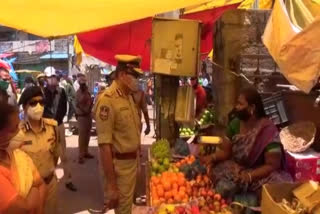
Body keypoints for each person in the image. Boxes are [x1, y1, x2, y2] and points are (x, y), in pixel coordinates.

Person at [201, 87, 292, 201]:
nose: (236, 107)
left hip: (261, 172)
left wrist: (250, 176)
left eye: (240, 104)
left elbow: (272, 165)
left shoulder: (268, 130)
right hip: (240, 169)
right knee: (217, 169)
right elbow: (226, 152)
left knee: (280, 184)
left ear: (252, 108)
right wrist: (212, 157)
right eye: (237, 104)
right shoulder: (235, 124)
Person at [95, 55, 142, 214]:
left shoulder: (128, 96)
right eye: (134, 76)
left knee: (127, 208)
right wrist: (111, 185)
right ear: (122, 75)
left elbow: (134, 130)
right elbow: (104, 146)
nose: (137, 80)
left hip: (131, 164)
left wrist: (138, 157)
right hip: (119, 168)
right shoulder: (107, 100)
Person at [10, 86, 59, 214]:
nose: (39, 106)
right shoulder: (17, 132)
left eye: (41, 102)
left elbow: (55, 154)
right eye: (33, 103)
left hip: (50, 184)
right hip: (29, 190)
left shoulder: (52, 127)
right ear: (25, 106)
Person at [0, 101, 46, 214]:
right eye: (13, 129)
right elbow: (22, 209)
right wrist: (34, 190)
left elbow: (41, 184)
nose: (20, 133)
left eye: (19, 126)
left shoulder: (19, 155)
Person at [43, 66, 77, 192]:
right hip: (47, 127)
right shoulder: (43, 92)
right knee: (49, 154)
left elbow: (63, 108)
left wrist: (57, 121)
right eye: (50, 77)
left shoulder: (61, 91)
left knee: (64, 155)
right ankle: (50, 180)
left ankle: (68, 180)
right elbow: (43, 110)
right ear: (46, 79)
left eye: (54, 77)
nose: (52, 79)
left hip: (59, 125)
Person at [75, 75, 93, 164]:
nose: (84, 85)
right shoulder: (78, 93)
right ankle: (80, 155)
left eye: (84, 83)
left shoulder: (87, 92)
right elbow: (79, 104)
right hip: (82, 116)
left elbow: (90, 102)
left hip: (88, 116)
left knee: (87, 135)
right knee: (82, 136)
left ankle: (86, 151)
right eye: (82, 84)